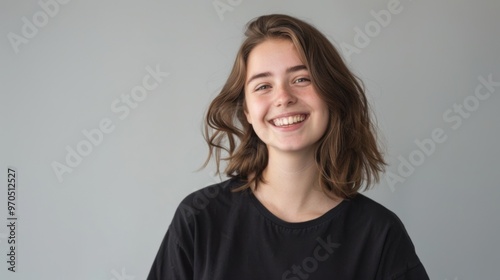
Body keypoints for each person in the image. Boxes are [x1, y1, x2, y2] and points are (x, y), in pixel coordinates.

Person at [147, 14, 429, 279]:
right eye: (263, 86)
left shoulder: (378, 232)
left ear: (333, 95)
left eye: (301, 79)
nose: (283, 97)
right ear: (246, 110)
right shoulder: (199, 218)